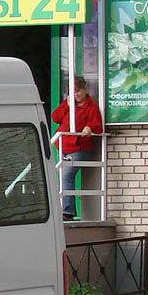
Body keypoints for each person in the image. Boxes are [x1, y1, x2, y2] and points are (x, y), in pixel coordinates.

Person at [51, 75, 102, 221]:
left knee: (66, 175)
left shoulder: (91, 107)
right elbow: (56, 117)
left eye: (78, 91)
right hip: (62, 144)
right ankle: (61, 209)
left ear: (85, 90)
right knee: (61, 176)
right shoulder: (68, 105)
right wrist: (66, 105)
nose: (76, 95)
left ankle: (67, 212)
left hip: (79, 147)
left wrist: (89, 128)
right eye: (73, 92)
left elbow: (97, 125)